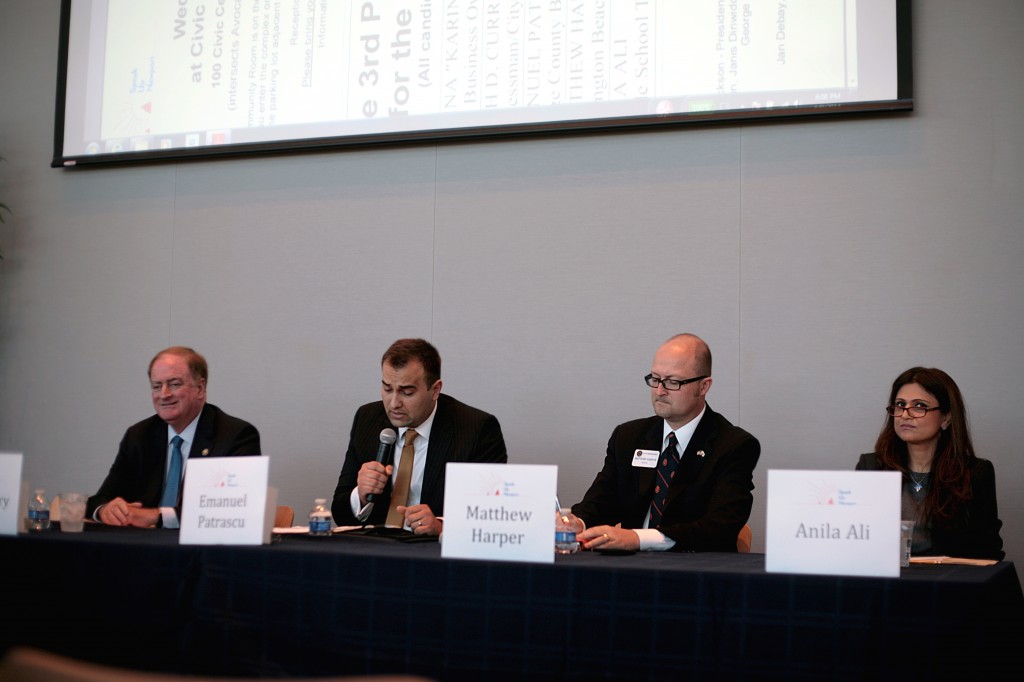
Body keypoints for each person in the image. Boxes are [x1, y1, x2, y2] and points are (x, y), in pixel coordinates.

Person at [571, 333, 760, 552]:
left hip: (696, 572)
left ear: (704, 386)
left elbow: (719, 527)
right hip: (629, 570)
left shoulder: (734, 446)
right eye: (655, 379)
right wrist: (578, 522)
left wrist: (638, 539)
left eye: (672, 382)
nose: (659, 391)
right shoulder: (628, 437)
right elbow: (601, 502)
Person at [331, 338, 508, 536]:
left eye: (407, 392)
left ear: (435, 390)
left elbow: (490, 515)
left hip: (433, 555)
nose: (394, 403)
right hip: (376, 549)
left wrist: (441, 526)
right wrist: (361, 496)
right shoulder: (368, 419)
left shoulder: (477, 429)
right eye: (387, 389)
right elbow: (340, 513)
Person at [86, 346, 261, 528]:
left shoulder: (235, 436)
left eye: (174, 384)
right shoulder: (139, 436)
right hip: (142, 546)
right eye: (156, 386)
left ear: (200, 388)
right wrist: (105, 510)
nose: (164, 394)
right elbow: (101, 498)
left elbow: (233, 510)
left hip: (200, 550)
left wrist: (156, 516)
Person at [856, 367, 1004, 560]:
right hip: (888, 582)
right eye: (900, 405)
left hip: (948, 583)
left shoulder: (974, 473)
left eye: (919, 406)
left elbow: (988, 551)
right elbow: (857, 541)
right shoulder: (872, 467)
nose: (905, 414)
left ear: (946, 417)